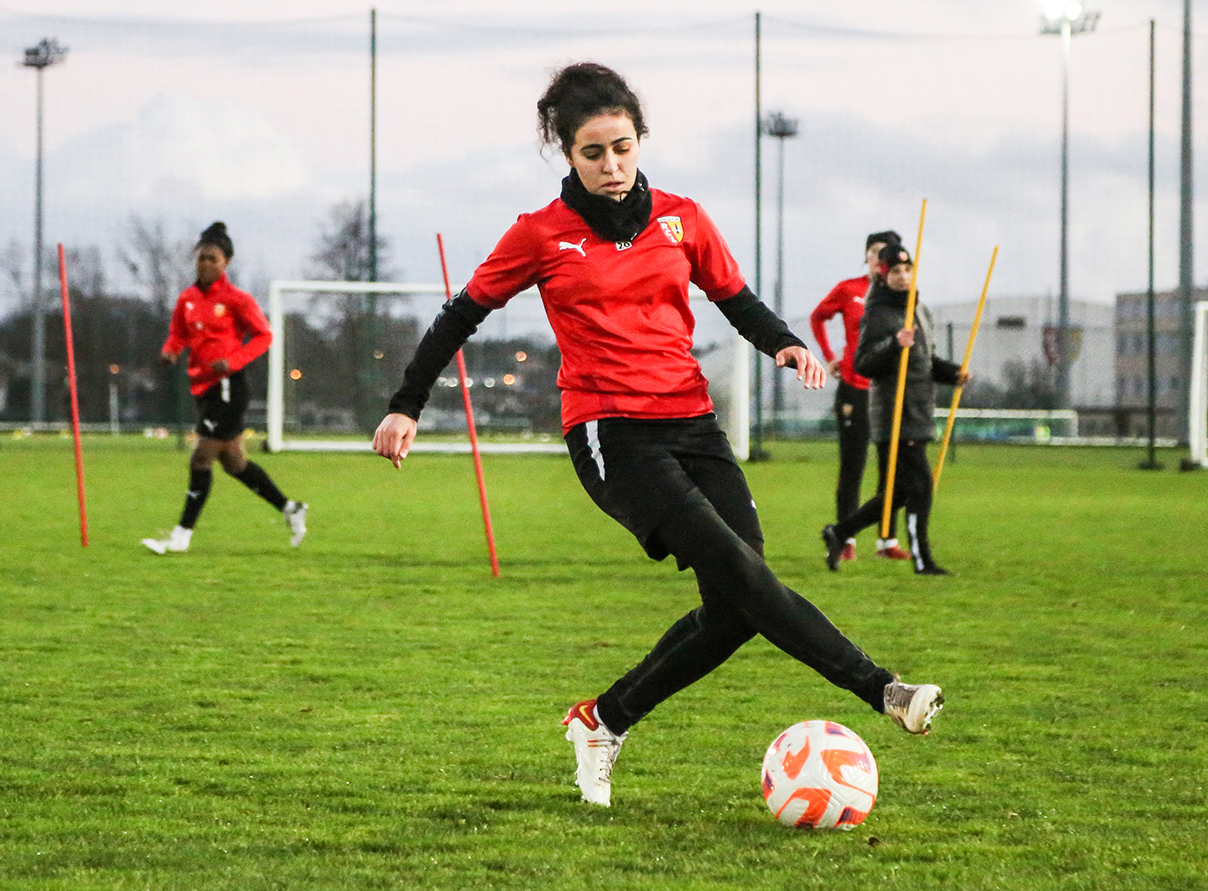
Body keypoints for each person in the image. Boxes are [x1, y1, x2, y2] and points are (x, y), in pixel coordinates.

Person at [371, 63, 943, 809]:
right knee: (744, 580)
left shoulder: (683, 218)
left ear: (640, 141)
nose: (611, 166)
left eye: (622, 147)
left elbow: (735, 297)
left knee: (738, 606)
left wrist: (785, 344)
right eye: (592, 152)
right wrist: (406, 404)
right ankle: (884, 689)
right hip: (614, 434)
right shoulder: (540, 234)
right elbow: (460, 315)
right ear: (566, 153)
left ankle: (603, 720)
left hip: (694, 424)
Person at [143, 222, 308, 555]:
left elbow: (264, 335)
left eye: (212, 259)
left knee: (201, 458)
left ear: (226, 263)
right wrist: (171, 350)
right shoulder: (187, 299)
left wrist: (233, 360)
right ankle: (291, 508)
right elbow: (178, 333)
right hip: (202, 387)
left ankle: (180, 536)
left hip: (228, 387)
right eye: (201, 258)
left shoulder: (237, 300)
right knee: (233, 462)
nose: (205, 264)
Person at [819, 239, 969, 575]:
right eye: (895, 271)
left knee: (898, 493)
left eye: (907, 269)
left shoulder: (920, 310)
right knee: (920, 488)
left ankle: (839, 532)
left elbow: (926, 362)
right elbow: (863, 363)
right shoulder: (877, 314)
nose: (903, 276)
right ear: (883, 276)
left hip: (919, 409)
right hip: (894, 414)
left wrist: (953, 374)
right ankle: (922, 560)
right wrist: (893, 344)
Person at [809, 232, 907, 563]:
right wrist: (828, 355)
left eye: (887, 255)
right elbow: (818, 316)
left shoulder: (900, 298)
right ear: (867, 256)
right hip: (854, 388)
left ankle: (886, 540)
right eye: (875, 253)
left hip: (888, 391)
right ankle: (845, 538)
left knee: (890, 468)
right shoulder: (849, 289)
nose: (880, 260)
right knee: (853, 466)